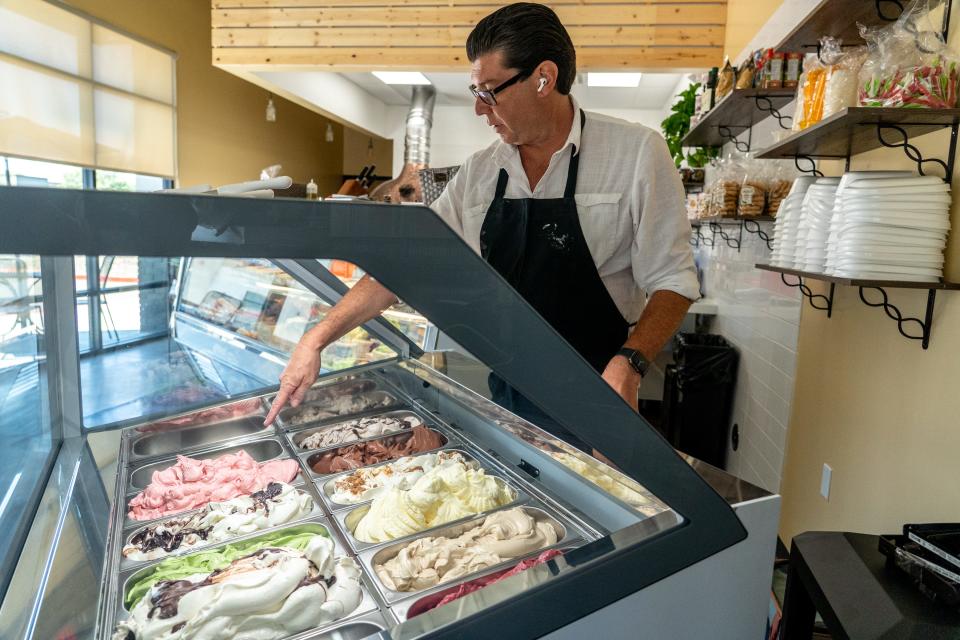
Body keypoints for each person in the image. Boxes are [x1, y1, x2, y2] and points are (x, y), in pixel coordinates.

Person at [264, 2, 699, 457]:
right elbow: (405, 267)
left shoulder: (636, 153)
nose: (478, 108)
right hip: (509, 397)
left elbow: (673, 281)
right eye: (476, 91)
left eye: (489, 91)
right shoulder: (480, 173)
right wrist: (315, 339)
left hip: (602, 394)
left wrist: (629, 365)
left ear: (544, 78)